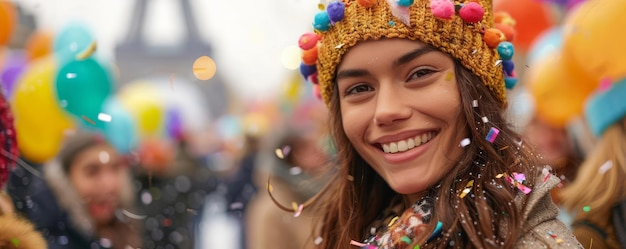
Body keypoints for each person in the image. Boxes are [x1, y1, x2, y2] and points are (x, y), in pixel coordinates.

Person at [292, 0, 582, 248]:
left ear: (476, 87)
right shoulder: (363, 231)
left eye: (419, 74)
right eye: (359, 89)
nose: (386, 111)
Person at [21, 131, 141, 249]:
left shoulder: (130, 231)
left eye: (114, 169)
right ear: (65, 183)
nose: (109, 184)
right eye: (92, 171)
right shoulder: (42, 242)